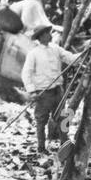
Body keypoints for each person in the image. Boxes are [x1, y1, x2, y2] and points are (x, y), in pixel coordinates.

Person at [22, 23, 77, 154]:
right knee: (41, 121)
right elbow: (26, 73)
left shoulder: (55, 49)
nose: (50, 35)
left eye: (49, 32)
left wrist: (85, 52)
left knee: (63, 118)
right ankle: (41, 148)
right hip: (43, 93)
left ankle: (65, 144)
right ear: (40, 37)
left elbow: (70, 58)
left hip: (58, 91)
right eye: (47, 33)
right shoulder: (33, 54)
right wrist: (32, 91)